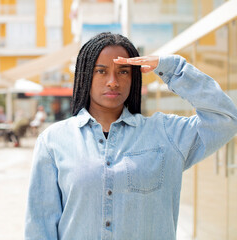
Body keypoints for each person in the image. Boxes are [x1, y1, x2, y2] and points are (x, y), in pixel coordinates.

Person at [24, 32, 237, 240]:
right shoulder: (53, 141)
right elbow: (40, 224)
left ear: (134, 77)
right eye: (101, 71)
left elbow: (225, 119)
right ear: (85, 75)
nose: (112, 81)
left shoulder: (166, 134)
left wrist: (172, 69)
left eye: (123, 72)